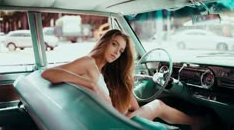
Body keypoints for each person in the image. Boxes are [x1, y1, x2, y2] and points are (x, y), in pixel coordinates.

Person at [41, 29, 202, 130]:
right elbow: (48, 74)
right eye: (114, 44)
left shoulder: (103, 70)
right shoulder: (88, 62)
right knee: (158, 105)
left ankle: (195, 123)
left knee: (153, 109)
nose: (117, 52)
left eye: (121, 50)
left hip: (110, 120)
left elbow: (133, 106)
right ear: (104, 42)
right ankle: (196, 123)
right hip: (112, 125)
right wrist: (90, 84)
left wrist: (126, 86)